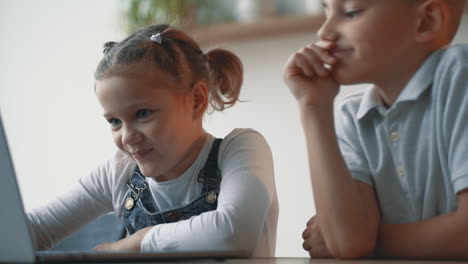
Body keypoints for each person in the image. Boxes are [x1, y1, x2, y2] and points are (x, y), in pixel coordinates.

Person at [27, 24, 278, 257]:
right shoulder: (119, 172)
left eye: (143, 114)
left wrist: (137, 242)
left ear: (197, 100)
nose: (127, 137)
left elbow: (234, 232)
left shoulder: (241, 150)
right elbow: (32, 230)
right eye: (114, 121)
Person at [283, 0, 468, 259]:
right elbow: (349, 243)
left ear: (427, 21)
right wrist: (313, 107)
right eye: (326, 11)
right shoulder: (353, 116)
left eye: (351, 13)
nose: (324, 32)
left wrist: (372, 239)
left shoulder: (461, 75)